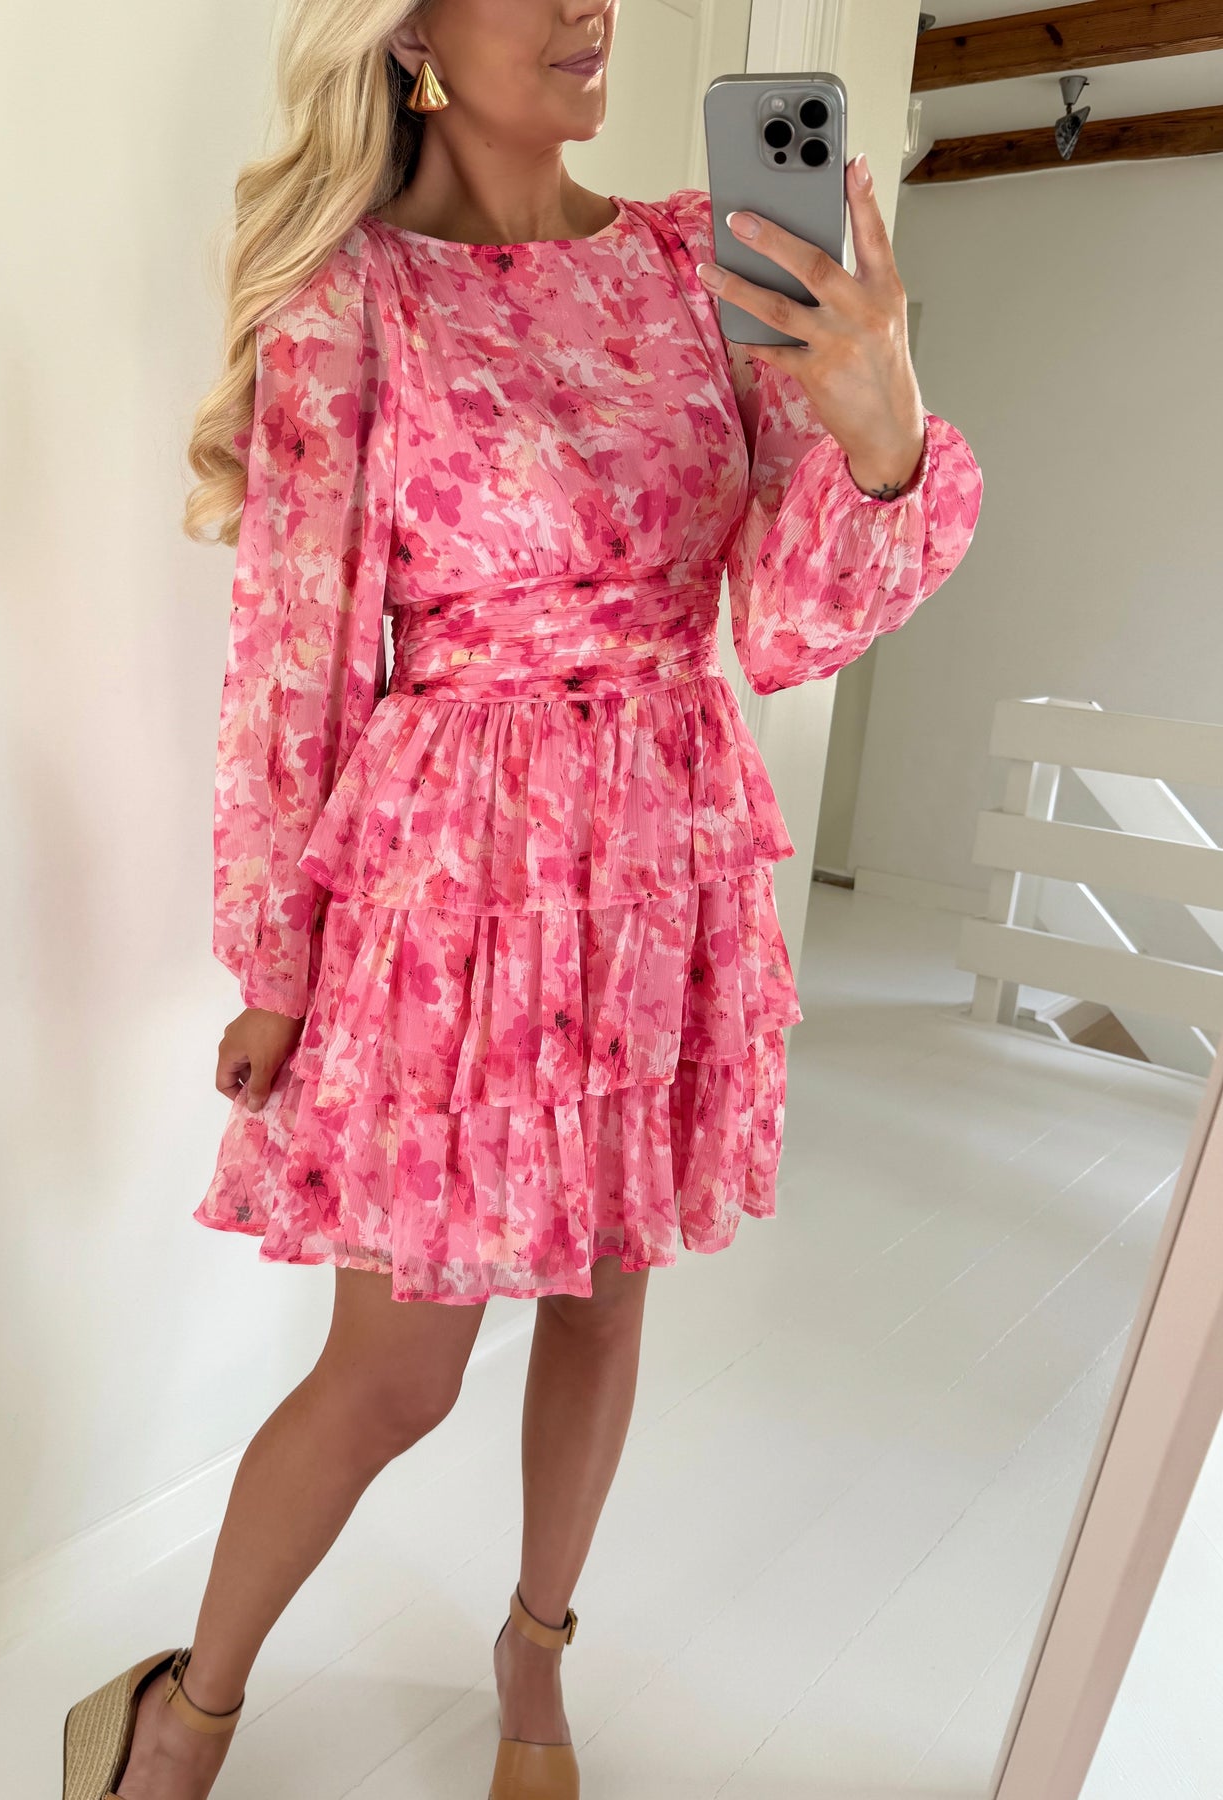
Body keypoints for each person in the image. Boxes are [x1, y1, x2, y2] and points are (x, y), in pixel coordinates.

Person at [62, 2, 983, 1796]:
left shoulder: (694, 262)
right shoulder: (353, 298)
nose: (590, 8)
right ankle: (188, 1707)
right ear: (409, 26)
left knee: (607, 1300)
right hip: (455, 886)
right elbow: (294, 653)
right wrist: (276, 959)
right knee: (397, 1375)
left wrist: (882, 439)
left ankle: (536, 1657)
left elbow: (787, 629)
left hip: (661, 854)